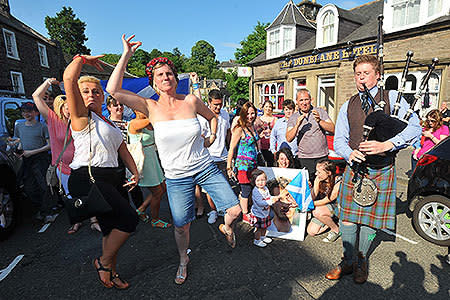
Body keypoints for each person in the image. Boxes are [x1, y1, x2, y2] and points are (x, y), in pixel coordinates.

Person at [106, 35, 241, 285]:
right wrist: (126, 54)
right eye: (160, 75)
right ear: (154, 83)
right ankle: (183, 260)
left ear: (176, 78)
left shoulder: (190, 101)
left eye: (169, 73)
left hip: (204, 168)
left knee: (234, 209)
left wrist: (210, 136)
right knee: (181, 226)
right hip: (177, 177)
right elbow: (112, 90)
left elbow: (212, 117)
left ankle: (228, 227)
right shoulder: (149, 106)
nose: (166, 77)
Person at [329, 54, 421, 284]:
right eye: (358, 74)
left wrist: (386, 144)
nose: (361, 78)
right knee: (348, 219)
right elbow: (339, 139)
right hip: (356, 168)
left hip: (382, 168)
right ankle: (348, 260)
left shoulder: (392, 97)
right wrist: (349, 153)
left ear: (377, 75)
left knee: (370, 221)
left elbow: (414, 128)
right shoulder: (348, 104)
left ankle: (362, 261)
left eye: (366, 73)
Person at [64, 55, 140, 289]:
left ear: (103, 95)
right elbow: (69, 76)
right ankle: (103, 262)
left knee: (111, 228)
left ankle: (111, 271)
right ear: (78, 96)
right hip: (89, 177)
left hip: (111, 176)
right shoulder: (81, 118)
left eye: (96, 91)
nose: (91, 95)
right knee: (129, 219)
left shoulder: (106, 122)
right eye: (85, 91)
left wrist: (135, 172)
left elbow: (122, 149)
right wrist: (82, 59)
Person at [32, 78, 102, 233]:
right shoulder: (52, 120)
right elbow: (36, 96)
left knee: (89, 192)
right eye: (66, 107)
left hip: (84, 164)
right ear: (60, 109)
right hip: (63, 167)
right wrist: (49, 82)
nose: (70, 110)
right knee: (70, 196)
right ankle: (76, 221)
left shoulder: (82, 120)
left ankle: (94, 220)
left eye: (72, 106)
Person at [11, 102, 55, 222]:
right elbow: (20, 141)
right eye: (24, 111)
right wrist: (18, 151)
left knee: (43, 186)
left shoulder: (42, 127)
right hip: (26, 160)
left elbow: (50, 145)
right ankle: (41, 209)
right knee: (29, 188)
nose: (27, 114)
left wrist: (33, 152)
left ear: (36, 112)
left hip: (40, 159)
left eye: (29, 111)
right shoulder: (19, 126)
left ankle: (48, 212)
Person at [128, 110, 171, 228]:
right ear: (135, 110)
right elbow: (156, 119)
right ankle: (155, 220)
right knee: (157, 191)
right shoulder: (134, 123)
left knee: (163, 188)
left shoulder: (149, 122)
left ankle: (141, 209)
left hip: (153, 159)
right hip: (144, 161)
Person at [106, 95, 144, 217]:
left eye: (121, 105)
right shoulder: (106, 123)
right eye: (115, 105)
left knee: (134, 187)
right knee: (120, 189)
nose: (119, 107)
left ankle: (141, 211)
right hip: (114, 159)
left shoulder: (129, 121)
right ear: (109, 108)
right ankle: (126, 215)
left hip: (130, 157)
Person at [198, 89, 231, 224]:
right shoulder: (203, 117)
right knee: (209, 189)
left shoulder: (225, 115)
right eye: (215, 105)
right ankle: (213, 211)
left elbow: (228, 133)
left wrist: (230, 153)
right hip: (208, 157)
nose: (218, 107)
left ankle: (223, 209)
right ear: (209, 102)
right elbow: (200, 137)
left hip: (223, 156)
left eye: (220, 104)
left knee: (224, 186)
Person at [286, 89, 335, 181]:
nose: (304, 103)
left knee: (324, 184)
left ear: (310, 100)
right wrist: (297, 125)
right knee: (308, 185)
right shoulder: (294, 117)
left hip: (321, 156)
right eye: (301, 100)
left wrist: (320, 121)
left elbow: (333, 129)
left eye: (306, 100)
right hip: (305, 158)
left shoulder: (320, 112)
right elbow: (288, 138)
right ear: (297, 102)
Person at [227, 102, 259, 224]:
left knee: (250, 188)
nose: (250, 116)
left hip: (253, 164)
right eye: (248, 113)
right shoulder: (239, 128)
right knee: (245, 190)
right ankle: (245, 214)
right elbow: (232, 148)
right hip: (243, 166)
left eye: (252, 113)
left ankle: (247, 209)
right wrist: (229, 166)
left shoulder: (252, 126)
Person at [306, 159, 341, 243]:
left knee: (316, 211)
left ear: (329, 173)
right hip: (324, 208)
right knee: (311, 231)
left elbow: (327, 200)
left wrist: (309, 205)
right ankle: (330, 221)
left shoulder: (339, 182)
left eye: (319, 172)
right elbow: (313, 196)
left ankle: (336, 230)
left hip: (337, 207)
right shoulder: (319, 179)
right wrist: (315, 184)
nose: (316, 174)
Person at [249, 169, 279, 247]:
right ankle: (257, 240)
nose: (261, 182)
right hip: (258, 214)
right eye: (258, 180)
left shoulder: (265, 188)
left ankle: (263, 237)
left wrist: (273, 198)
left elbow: (268, 197)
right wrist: (271, 202)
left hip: (265, 212)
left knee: (265, 227)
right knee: (258, 229)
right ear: (254, 181)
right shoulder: (256, 191)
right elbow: (260, 203)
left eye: (263, 180)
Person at [255, 100, 277, 167]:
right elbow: (255, 132)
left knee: (271, 164)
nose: (268, 108)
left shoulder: (275, 119)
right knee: (261, 165)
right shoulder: (258, 119)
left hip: (272, 145)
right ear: (263, 107)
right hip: (261, 145)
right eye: (266, 106)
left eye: (270, 107)